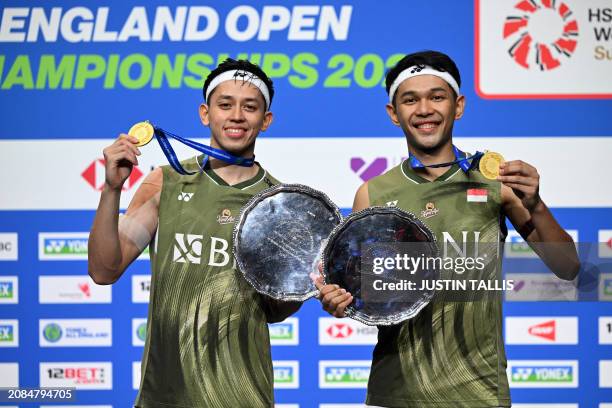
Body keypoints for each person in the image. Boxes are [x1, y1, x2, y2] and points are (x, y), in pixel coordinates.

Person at [313, 50, 580, 407]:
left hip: (480, 391)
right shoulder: (372, 193)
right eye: (410, 99)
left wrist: (536, 205)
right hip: (396, 392)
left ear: (458, 106)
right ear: (394, 113)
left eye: (437, 97)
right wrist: (340, 302)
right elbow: (362, 296)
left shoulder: (497, 184)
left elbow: (568, 267)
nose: (424, 109)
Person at [88, 58, 301, 407]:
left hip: (242, 394)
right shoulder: (164, 182)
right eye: (225, 104)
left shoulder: (280, 202)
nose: (236, 115)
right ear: (205, 113)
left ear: (266, 121)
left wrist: (299, 281)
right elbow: (103, 270)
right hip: (165, 395)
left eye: (250, 107)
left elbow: (276, 310)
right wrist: (111, 189)